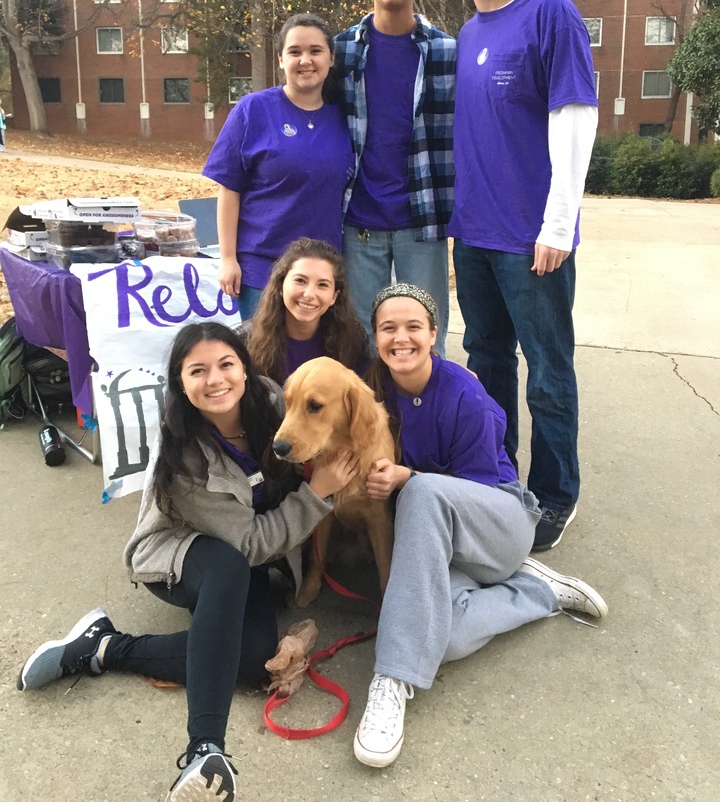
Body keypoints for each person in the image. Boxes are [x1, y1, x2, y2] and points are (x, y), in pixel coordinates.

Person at [16, 322, 357, 802]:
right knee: (229, 567)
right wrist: (317, 495)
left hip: (247, 555)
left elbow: (326, 425)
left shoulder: (272, 402)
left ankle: (102, 647)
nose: (215, 380)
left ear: (244, 368)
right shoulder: (184, 457)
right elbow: (254, 544)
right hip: (182, 556)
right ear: (180, 382)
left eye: (226, 365)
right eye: (197, 371)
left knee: (255, 660)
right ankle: (206, 750)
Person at [353, 283, 608, 769]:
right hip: (443, 547)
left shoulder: (464, 392)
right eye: (388, 328)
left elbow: (473, 494)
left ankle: (389, 682)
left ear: (433, 334)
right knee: (433, 638)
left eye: (413, 327)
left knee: (423, 492)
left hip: (500, 525)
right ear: (376, 336)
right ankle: (540, 593)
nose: (400, 338)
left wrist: (409, 477)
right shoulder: (374, 392)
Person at [446, 0, 599, 551]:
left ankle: (557, 493)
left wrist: (558, 225)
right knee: (487, 365)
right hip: (474, 238)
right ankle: (499, 475)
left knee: (547, 369)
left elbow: (576, 118)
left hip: (531, 242)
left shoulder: (550, 12)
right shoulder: (469, 35)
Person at [334, 0, 456, 356]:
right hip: (358, 225)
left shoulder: (445, 52)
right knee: (358, 343)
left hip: (420, 225)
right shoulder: (341, 52)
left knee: (426, 342)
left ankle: (425, 422)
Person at [203, 13, 355, 319]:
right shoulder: (253, 110)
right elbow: (229, 189)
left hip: (320, 275)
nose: (305, 60)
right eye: (295, 52)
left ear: (331, 58)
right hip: (262, 270)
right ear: (281, 60)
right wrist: (228, 258)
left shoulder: (346, 119)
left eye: (315, 51)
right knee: (263, 363)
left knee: (313, 365)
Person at [242, 237, 374, 384]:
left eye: (322, 285)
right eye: (300, 281)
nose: (309, 294)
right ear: (280, 285)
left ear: (334, 296)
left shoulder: (354, 338)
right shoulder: (244, 340)